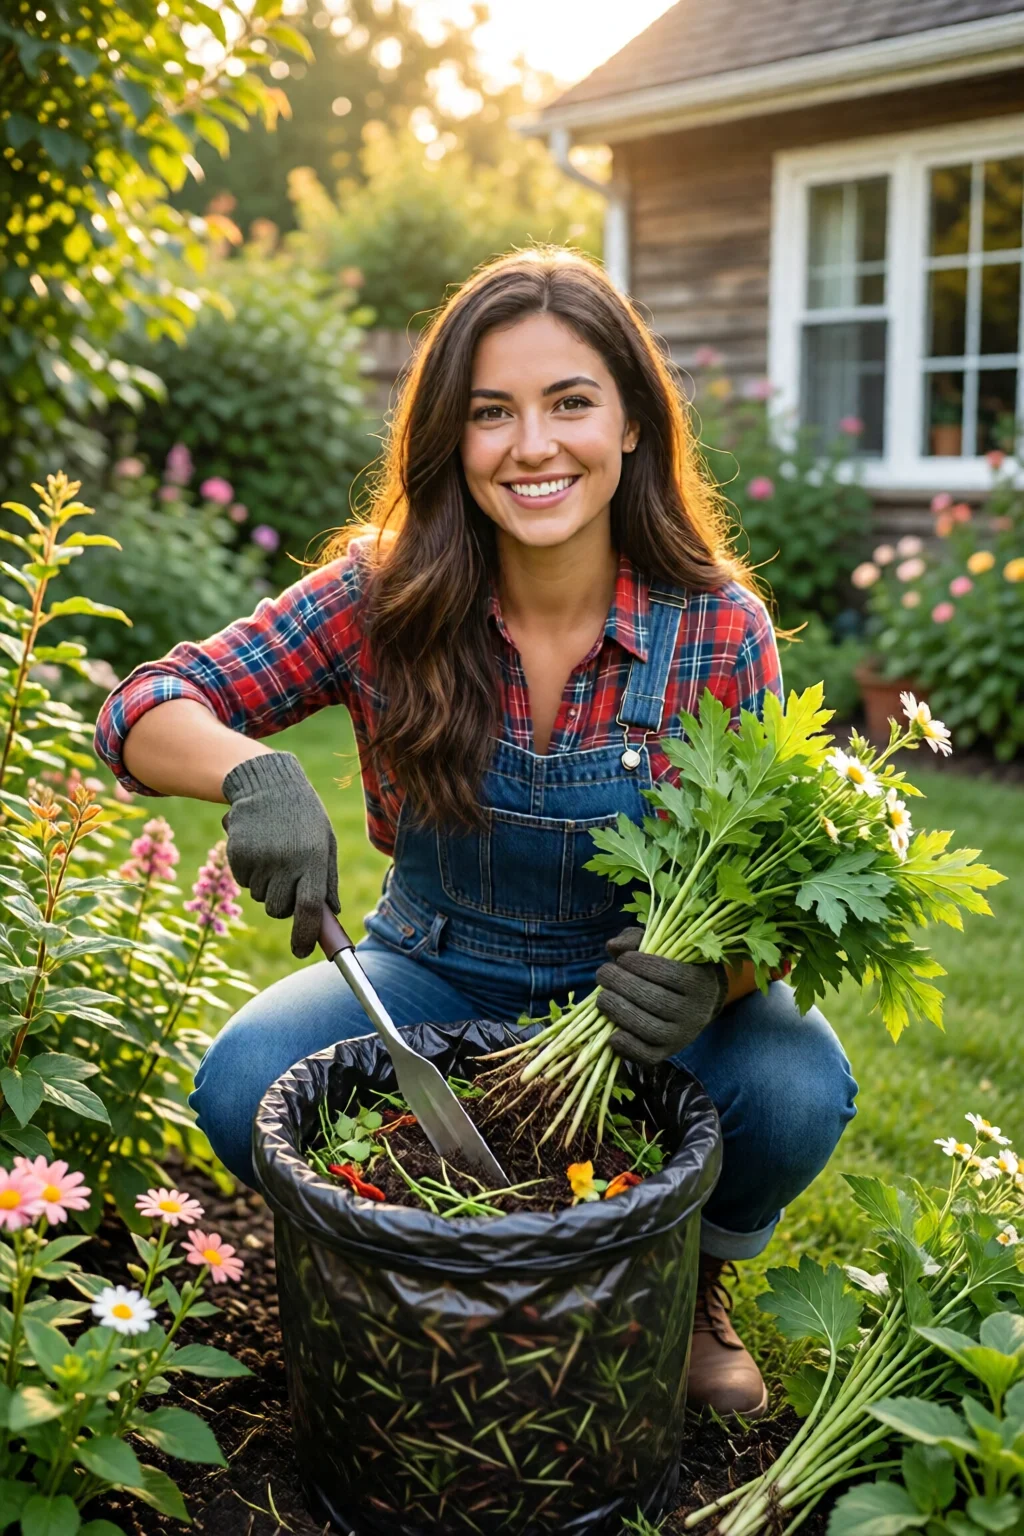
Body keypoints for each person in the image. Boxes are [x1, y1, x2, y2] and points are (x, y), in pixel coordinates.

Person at [95, 248, 857, 1419]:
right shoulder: (383, 595)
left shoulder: (717, 628)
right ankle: (401, 1274)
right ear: (452, 438)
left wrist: (718, 974)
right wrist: (251, 772)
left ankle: (685, 1281)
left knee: (795, 1078)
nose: (532, 446)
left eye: (569, 404)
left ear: (634, 425)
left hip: (634, 1015)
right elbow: (143, 706)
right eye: (491, 413)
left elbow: (778, 890)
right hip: (430, 969)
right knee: (244, 1077)